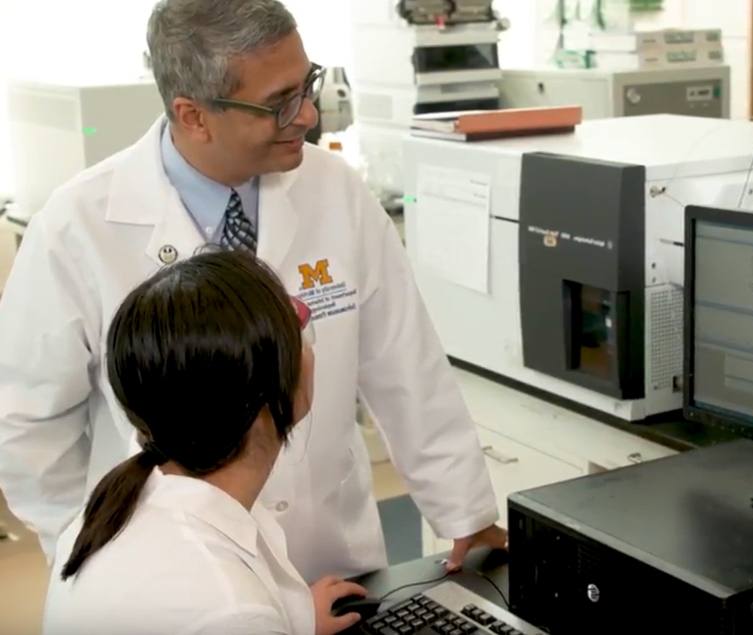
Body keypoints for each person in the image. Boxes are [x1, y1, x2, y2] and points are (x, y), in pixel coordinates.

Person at [0, 0, 503, 583]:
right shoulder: (77, 227)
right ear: (193, 115)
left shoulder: (335, 190)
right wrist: (91, 561)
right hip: (171, 580)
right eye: (278, 104)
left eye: (307, 85)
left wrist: (466, 513)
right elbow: (29, 422)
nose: (309, 115)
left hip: (329, 560)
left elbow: (406, 367)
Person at [41, 250, 369, 635]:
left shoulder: (111, 508)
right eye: (299, 333)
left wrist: (289, 619)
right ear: (272, 390)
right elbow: (222, 613)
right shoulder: (230, 609)